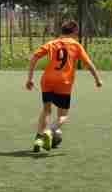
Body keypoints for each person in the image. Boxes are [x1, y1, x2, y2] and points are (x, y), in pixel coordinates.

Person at [25, 20, 103, 153]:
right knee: (63, 115)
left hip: (47, 80)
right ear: (75, 32)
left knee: (46, 110)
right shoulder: (76, 45)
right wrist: (97, 79)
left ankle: (39, 138)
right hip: (64, 82)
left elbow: (34, 58)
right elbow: (88, 64)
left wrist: (30, 78)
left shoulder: (52, 43)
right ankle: (50, 131)